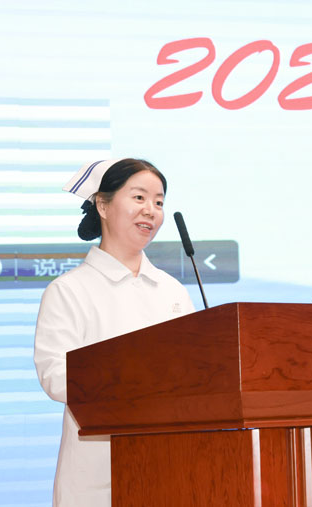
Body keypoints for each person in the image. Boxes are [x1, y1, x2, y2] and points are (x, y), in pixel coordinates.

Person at [33, 158, 195, 506]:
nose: (151, 210)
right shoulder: (69, 290)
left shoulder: (173, 291)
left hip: (171, 466)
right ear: (103, 205)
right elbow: (56, 377)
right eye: (139, 197)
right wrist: (138, 375)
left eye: (159, 202)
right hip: (97, 476)